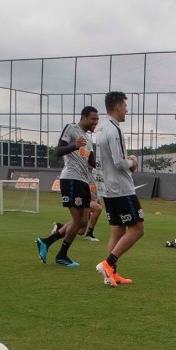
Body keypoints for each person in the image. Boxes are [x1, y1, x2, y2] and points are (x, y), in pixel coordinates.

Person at [35, 106, 99, 266]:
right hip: (71, 179)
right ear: (83, 117)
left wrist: (100, 160)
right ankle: (61, 255)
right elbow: (59, 150)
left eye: (97, 119)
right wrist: (74, 145)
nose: (95, 122)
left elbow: (91, 162)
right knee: (77, 220)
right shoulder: (71, 128)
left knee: (83, 222)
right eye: (93, 118)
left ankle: (46, 242)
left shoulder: (90, 140)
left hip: (83, 181)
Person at [94, 91, 142, 287]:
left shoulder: (101, 128)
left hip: (108, 188)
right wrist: (132, 160)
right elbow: (119, 162)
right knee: (138, 229)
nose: (127, 110)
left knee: (118, 231)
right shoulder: (114, 130)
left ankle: (111, 275)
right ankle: (108, 264)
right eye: (125, 105)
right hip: (122, 188)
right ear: (117, 106)